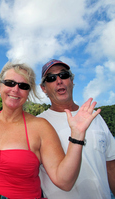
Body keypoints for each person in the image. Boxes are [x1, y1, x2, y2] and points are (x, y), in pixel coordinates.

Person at [0, 62, 100, 199]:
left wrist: (77, 136)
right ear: (0, 86)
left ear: (28, 93)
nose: (15, 89)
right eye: (10, 83)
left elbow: (64, 182)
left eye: (23, 86)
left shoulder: (40, 127)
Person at [39, 59, 115, 199]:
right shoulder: (38, 124)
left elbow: (111, 166)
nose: (59, 80)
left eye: (64, 75)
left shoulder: (94, 117)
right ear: (43, 88)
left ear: (72, 81)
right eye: (51, 78)